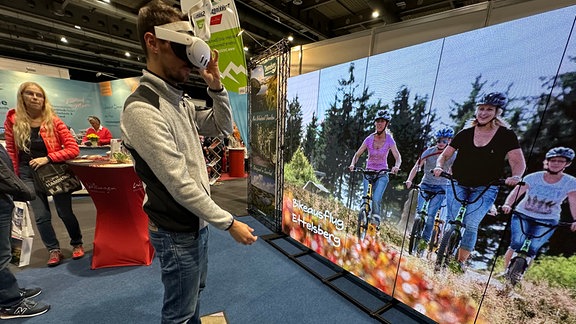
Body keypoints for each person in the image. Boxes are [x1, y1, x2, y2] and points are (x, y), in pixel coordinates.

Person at [120, 1, 257, 323]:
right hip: (175, 228)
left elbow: (223, 128)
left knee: (194, 295)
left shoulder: (178, 99)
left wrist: (216, 87)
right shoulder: (143, 109)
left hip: (194, 223)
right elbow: (178, 181)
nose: (189, 63)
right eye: (181, 50)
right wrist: (229, 222)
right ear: (152, 43)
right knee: (179, 312)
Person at [433, 92, 525, 273]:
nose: (483, 113)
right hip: (457, 182)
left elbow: (517, 162)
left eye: (489, 109)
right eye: (481, 109)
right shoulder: (465, 133)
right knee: (452, 221)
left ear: (498, 112)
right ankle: (444, 251)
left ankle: (460, 262)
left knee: (471, 223)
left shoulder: (506, 135)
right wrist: (439, 166)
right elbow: (445, 155)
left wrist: (516, 176)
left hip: (486, 187)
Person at [4, 82, 84, 267]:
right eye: (30, 94)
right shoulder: (13, 121)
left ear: (44, 99)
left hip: (53, 171)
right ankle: (53, 250)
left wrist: (48, 158)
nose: (34, 97)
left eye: (38, 95)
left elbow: (73, 149)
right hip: (27, 173)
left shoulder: (54, 121)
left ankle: (77, 243)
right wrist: (14, 179)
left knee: (65, 212)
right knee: (41, 216)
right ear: (22, 96)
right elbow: (11, 152)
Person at [501, 147, 576, 276]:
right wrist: (508, 204)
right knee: (517, 243)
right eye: (553, 160)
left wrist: (575, 219)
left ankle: (519, 276)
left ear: (567, 163)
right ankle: (505, 271)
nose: (556, 163)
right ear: (547, 161)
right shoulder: (534, 177)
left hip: (548, 219)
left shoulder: (570, 182)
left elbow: (573, 201)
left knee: (533, 248)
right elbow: (517, 191)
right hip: (523, 214)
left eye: (560, 161)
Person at [0, 144, 50, 319]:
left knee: (5, 250)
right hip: (4, 194)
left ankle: (8, 291)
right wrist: (20, 189)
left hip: (5, 195)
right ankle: (9, 303)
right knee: (2, 255)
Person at [405, 127, 456, 251]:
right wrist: (409, 179)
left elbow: (454, 172)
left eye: (444, 141)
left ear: (449, 141)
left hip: (441, 188)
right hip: (426, 184)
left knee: (431, 216)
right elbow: (417, 166)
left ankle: (423, 244)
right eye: (438, 140)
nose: (440, 143)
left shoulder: (453, 155)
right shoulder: (429, 151)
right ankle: (415, 235)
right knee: (420, 212)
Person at [349, 109, 402, 227]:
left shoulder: (389, 140)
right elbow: (357, 154)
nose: (379, 124)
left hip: (382, 174)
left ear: (386, 124)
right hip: (368, 172)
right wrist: (353, 164)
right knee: (365, 197)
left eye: (382, 121)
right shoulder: (369, 139)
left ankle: (375, 223)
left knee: (376, 199)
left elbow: (398, 157)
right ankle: (362, 218)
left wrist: (396, 167)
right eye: (377, 121)